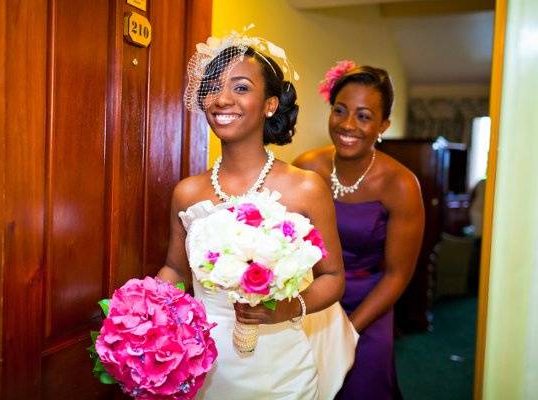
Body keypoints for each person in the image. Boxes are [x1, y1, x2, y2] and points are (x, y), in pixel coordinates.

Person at [157, 33, 358, 399]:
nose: (222, 99)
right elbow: (174, 270)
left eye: (241, 87)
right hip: (204, 362)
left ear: (269, 104)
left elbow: (332, 277)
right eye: (213, 88)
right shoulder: (186, 192)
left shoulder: (306, 188)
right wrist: (146, 314)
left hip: (279, 369)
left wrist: (288, 308)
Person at [294, 61, 425, 400]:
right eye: (340, 110)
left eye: (364, 116)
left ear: (384, 125)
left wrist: (349, 330)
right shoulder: (307, 167)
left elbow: (398, 275)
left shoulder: (401, 185)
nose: (348, 125)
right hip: (312, 300)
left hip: (369, 304)